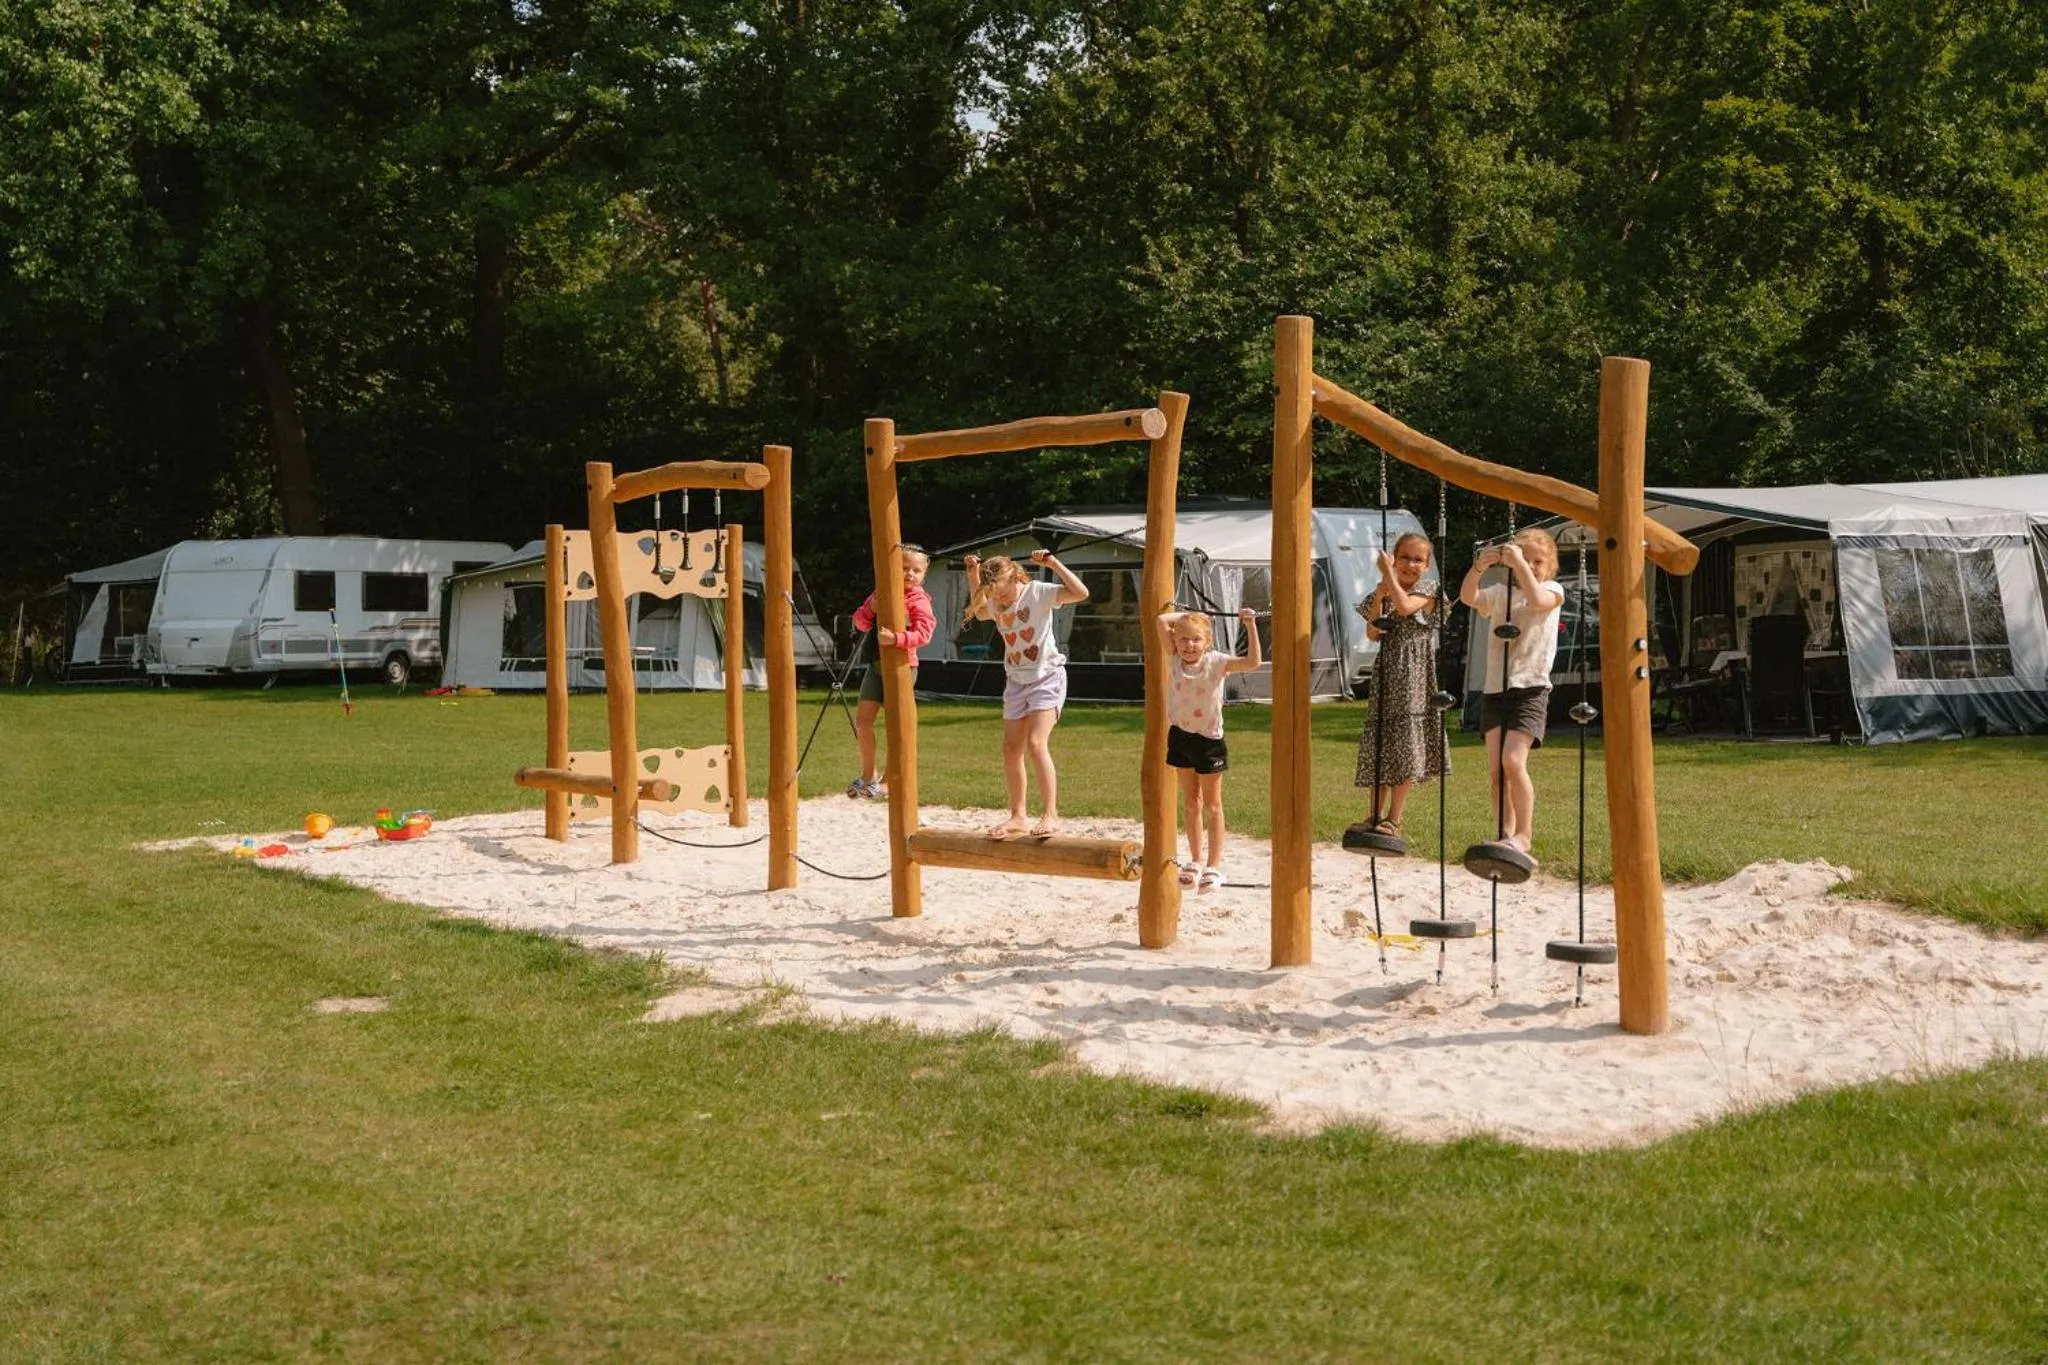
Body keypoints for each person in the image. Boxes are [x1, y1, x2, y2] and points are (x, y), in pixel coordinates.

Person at [961, 549, 1087, 839]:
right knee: (1010, 748)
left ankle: (1051, 814)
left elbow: (1080, 593)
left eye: (1004, 595)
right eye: (996, 597)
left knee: (1036, 743)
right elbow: (980, 612)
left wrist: (1052, 562)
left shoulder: (1038, 593)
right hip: (1016, 681)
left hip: (1046, 677)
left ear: (1016, 577)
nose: (1000, 601)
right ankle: (1018, 816)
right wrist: (972, 575)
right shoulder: (994, 599)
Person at [1459, 527, 1564, 862]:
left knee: (1513, 761)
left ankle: (1525, 836)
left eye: (1538, 561)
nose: (1531, 566)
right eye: (1525, 559)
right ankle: (1505, 836)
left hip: (1530, 688)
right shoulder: (1501, 593)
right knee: (1496, 772)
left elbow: (1536, 601)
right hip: (1495, 690)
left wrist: (1519, 564)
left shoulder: (1552, 589)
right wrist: (1479, 567)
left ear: (1551, 566)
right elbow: (1467, 597)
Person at [1347, 532, 1449, 846]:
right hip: (1387, 672)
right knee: (1381, 743)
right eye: (1404, 557)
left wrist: (1387, 575)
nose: (1410, 564)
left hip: (1414, 675)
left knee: (1406, 742)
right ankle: (1375, 815)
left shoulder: (1429, 589)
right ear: (1395, 557)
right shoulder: (1387, 590)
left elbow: (1405, 609)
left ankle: (1395, 818)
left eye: (1418, 559)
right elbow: (1373, 633)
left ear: (1428, 564)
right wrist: (1379, 597)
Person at [1156, 607, 1263, 891]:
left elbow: (1253, 662)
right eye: (1184, 640)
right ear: (1175, 642)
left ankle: (1214, 866)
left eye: (1196, 640)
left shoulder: (1216, 662)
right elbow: (1160, 621)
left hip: (1208, 741)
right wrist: (1190, 615)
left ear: (1207, 642)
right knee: (1191, 803)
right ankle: (1195, 859)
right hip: (1180, 737)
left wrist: (1249, 624)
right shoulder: (1174, 659)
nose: (1189, 645)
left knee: (1213, 805)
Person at [847, 545, 935, 799]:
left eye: (916, 570)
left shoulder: (918, 600)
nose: (910, 574)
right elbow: (860, 622)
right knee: (863, 723)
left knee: (896, 725)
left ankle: (889, 778)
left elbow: (925, 634)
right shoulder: (881, 593)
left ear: (924, 575)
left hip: (902, 666)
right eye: (904, 568)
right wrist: (871, 608)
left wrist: (897, 638)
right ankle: (868, 775)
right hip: (875, 664)